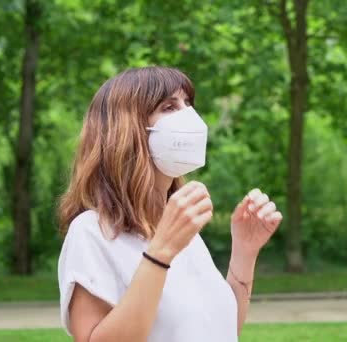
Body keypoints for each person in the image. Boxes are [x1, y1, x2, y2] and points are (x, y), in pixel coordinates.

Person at [57, 66, 283, 342]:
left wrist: (245, 252)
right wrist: (160, 253)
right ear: (128, 130)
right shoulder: (92, 232)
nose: (188, 115)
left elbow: (220, 330)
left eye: (187, 103)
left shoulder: (182, 233)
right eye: (169, 106)